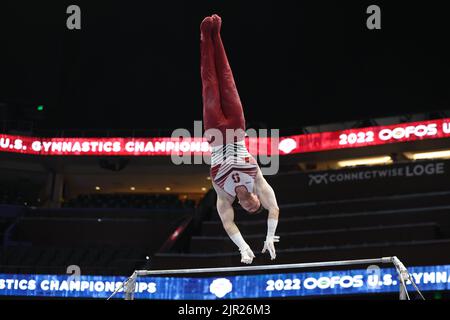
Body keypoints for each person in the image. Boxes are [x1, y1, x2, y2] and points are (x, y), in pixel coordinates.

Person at [200, 14, 280, 264]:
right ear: (258, 199)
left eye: (247, 210)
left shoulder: (224, 196)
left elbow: (227, 222)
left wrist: (244, 247)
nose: (251, 207)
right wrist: (269, 236)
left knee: (210, 83)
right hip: (236, 127)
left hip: (214, 132)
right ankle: (218, 34)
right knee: (226, 77)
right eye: (255, 206)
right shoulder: (258, 180)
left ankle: (205, 36)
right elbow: (274, 209)